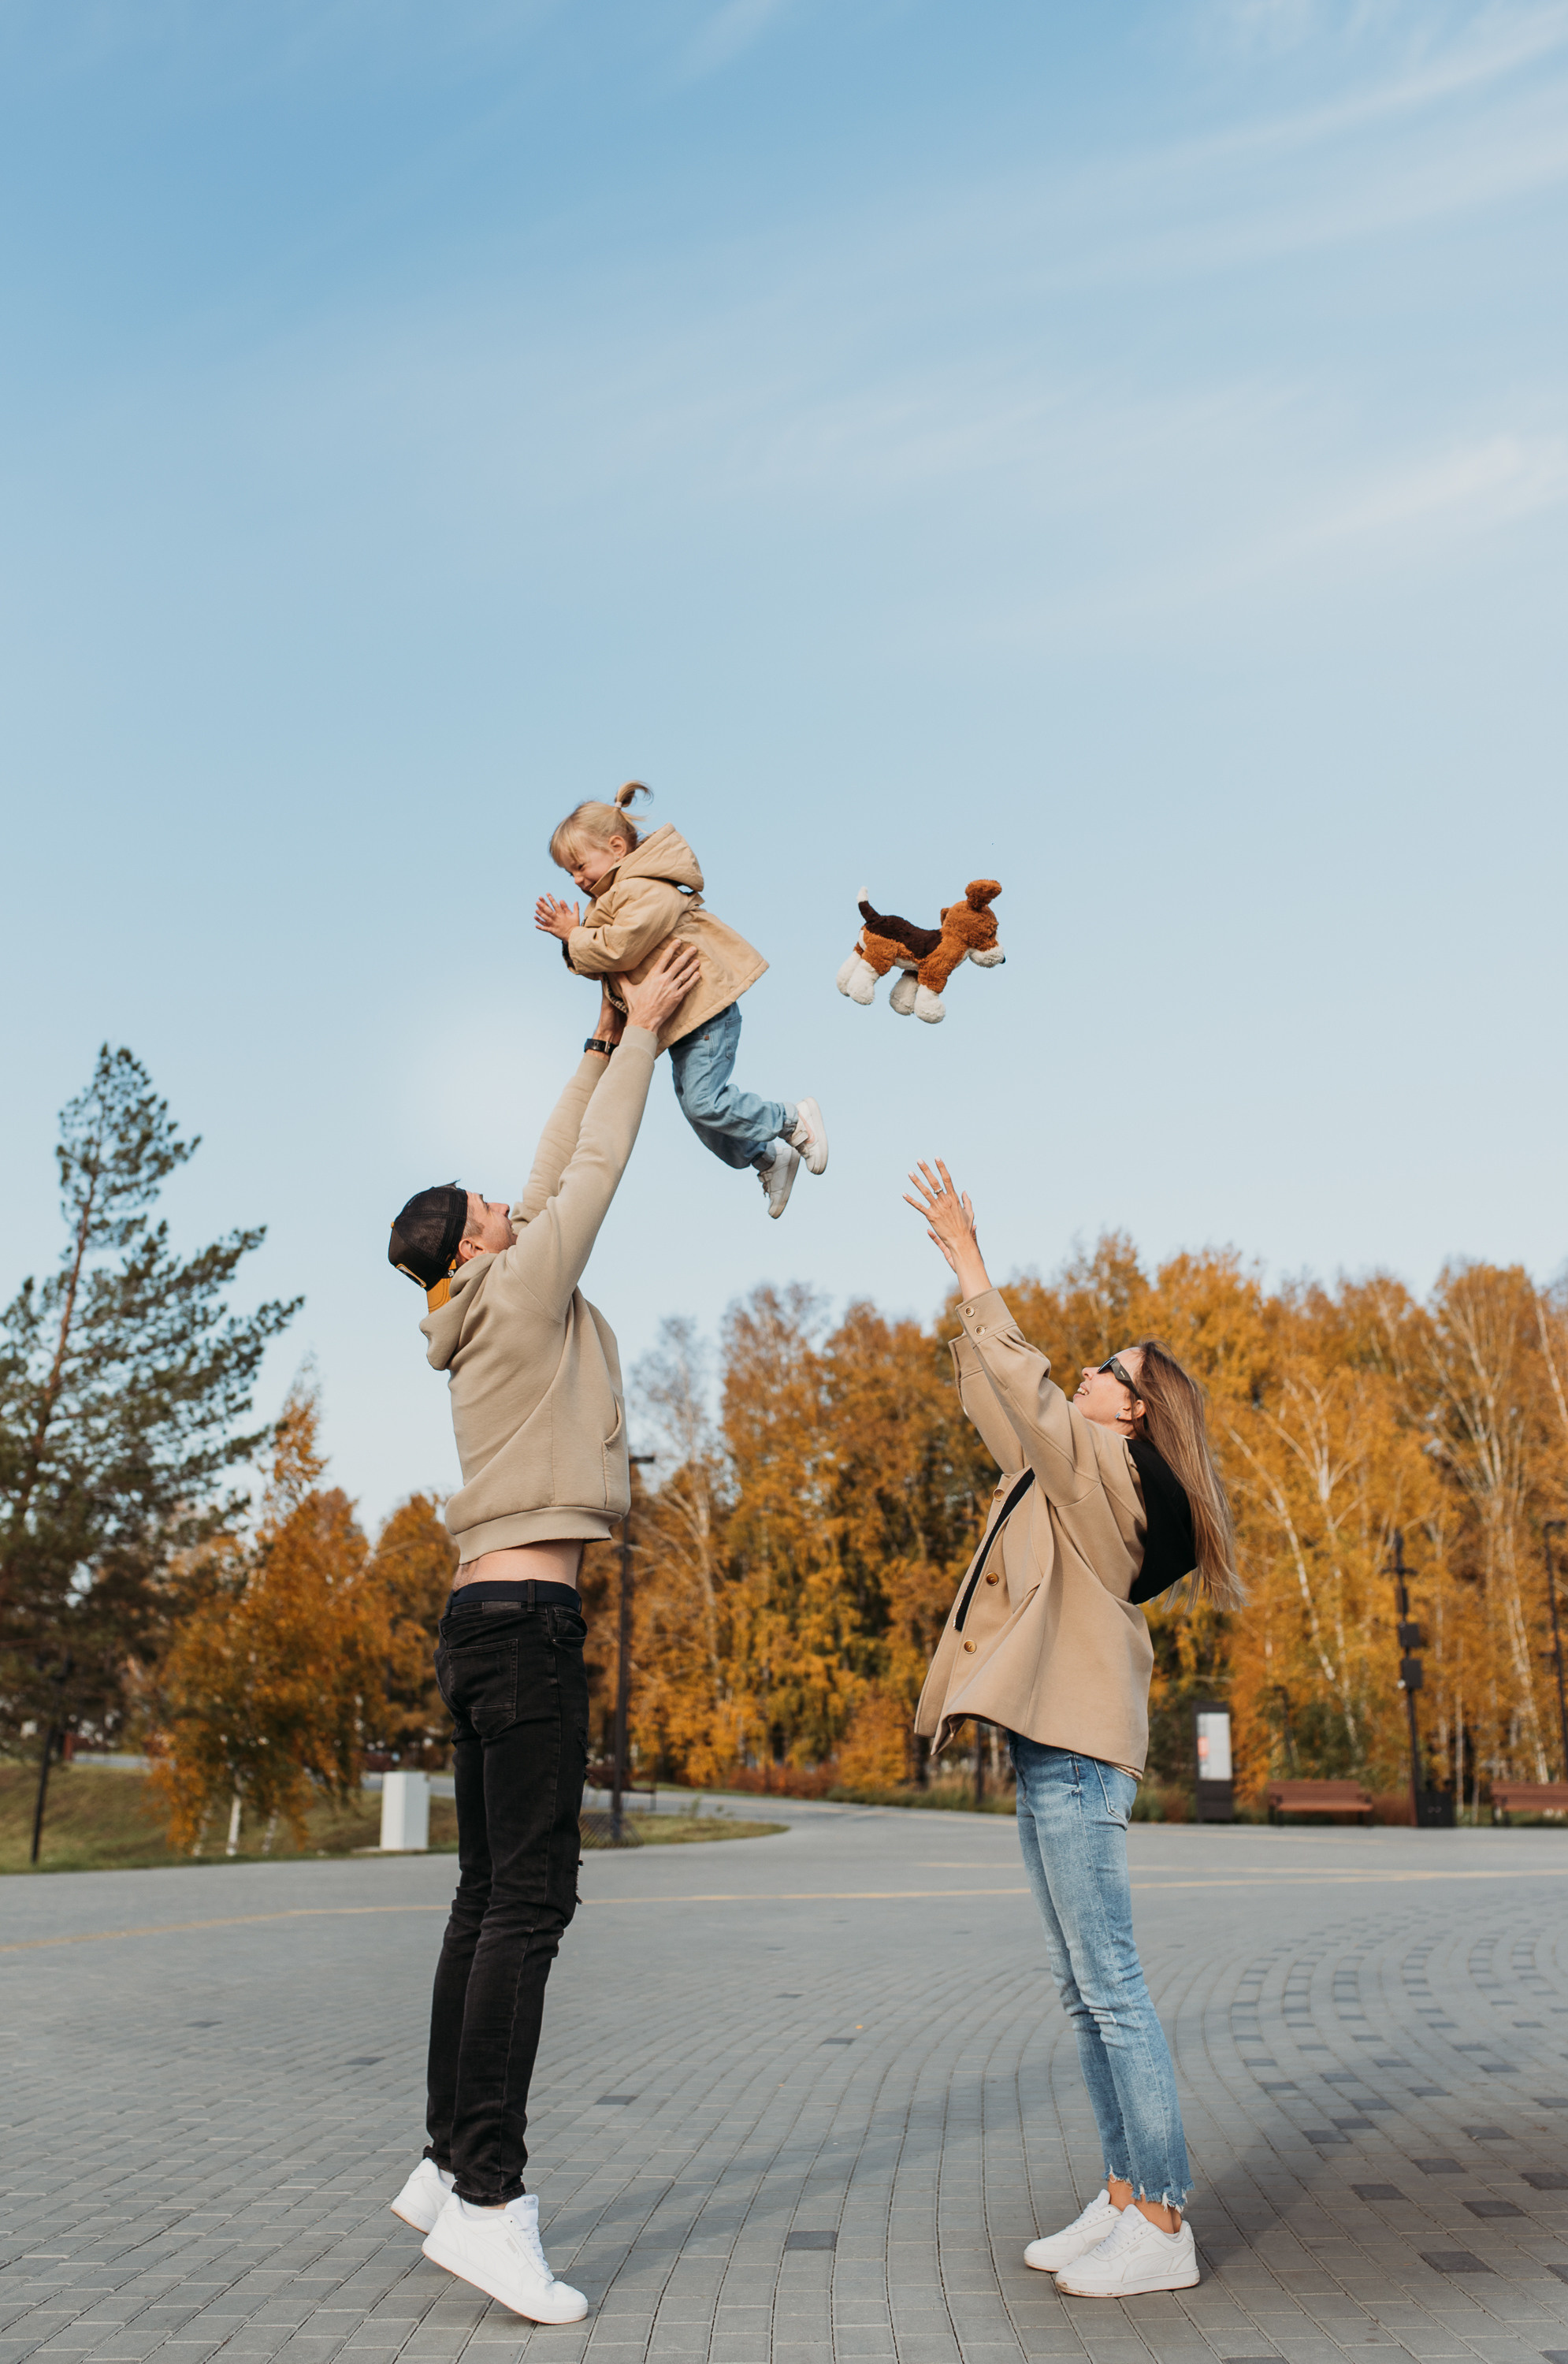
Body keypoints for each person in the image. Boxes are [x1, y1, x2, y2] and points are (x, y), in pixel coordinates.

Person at [382, 940, 700, 2326]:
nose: (512, 1203)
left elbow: (552, 1160)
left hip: (481, 1620)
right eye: (490, 1208)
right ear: (473, 1246)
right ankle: (489, 2202)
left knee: (482, 1901)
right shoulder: (519, 1288)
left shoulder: (477, 1301)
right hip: (525, 1629)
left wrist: (598, 1037)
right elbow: (596, 1166)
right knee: (528, 1905)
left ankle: (444, 2159)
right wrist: (650, 1032)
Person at [903, 1158, 1241, 2300]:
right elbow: (1001, 1404)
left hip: (1081, 1759)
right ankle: (1121, 2193)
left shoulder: (1111, 1477)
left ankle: (1163, 2218)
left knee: (1110, 1987)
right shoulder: (1062, 1470)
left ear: (1132, 1411)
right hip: (1049, 1752)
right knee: (1078, 1986)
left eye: (1108, 1369)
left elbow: (1032, 1396)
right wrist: (965, 1308)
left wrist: (972, 1265)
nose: (1087, 1371)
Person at [533, 780, 827, 1219]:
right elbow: (601, 964)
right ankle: (767, 1158)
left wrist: (575, 934)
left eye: (579, 866)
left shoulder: (645, 887)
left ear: (616, 848)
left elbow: (619, 950)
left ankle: (791, 1119)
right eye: (569, 874)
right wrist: (574, 937)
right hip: (682, 1021)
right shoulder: (612, 900)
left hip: (706, 1011)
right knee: (698, 1111)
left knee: (704, 1102)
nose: (577, 880)